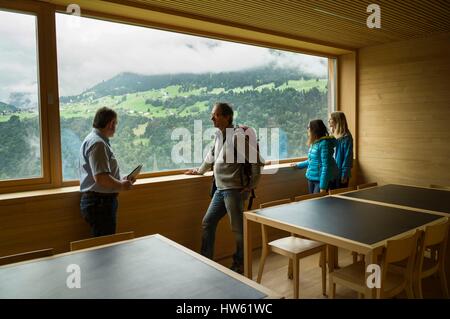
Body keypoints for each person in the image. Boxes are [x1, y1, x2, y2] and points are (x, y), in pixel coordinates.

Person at [185, 102, 262, 274]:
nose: (212, 117)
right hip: (220, 189)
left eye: (216, 115)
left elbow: (257, 161)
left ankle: (240, 263)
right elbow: (211, 157)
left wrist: (251, 185)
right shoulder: (219, 135)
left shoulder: (237, 137)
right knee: (208, 222)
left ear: (227, 117)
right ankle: (206, 260)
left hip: (233, 190)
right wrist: (199, 171)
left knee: (238, 229)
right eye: (213, 114)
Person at [79, 107, 135, 237]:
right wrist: (121, 185)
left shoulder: (95, 140)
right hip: (100, 203)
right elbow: (101, 178)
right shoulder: (98, 143)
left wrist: (122, 179)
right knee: (105, 248)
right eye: (115, 123)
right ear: (111, 123)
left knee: (103, 244)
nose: (115, 127)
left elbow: (104, 174)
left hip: (99, 202)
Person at [291, 119, 338, 193]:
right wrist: (298, 165)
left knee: (318, 203)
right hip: (311, 178)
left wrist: (323, 186)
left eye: (309, 127)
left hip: (320, 180)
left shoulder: (324, 144)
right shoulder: (314, 143)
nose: (307, 129)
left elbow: (326, 166)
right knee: (313, 202)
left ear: (314, 129)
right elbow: (311, 160)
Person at [328, 111, 353, 188]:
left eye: (331, 119)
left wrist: (344, 174)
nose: (328, 120)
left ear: (337, 120)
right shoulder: (330, 135)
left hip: (340, 173)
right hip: (330, 172)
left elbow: (348, 157)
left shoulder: (347, 137)